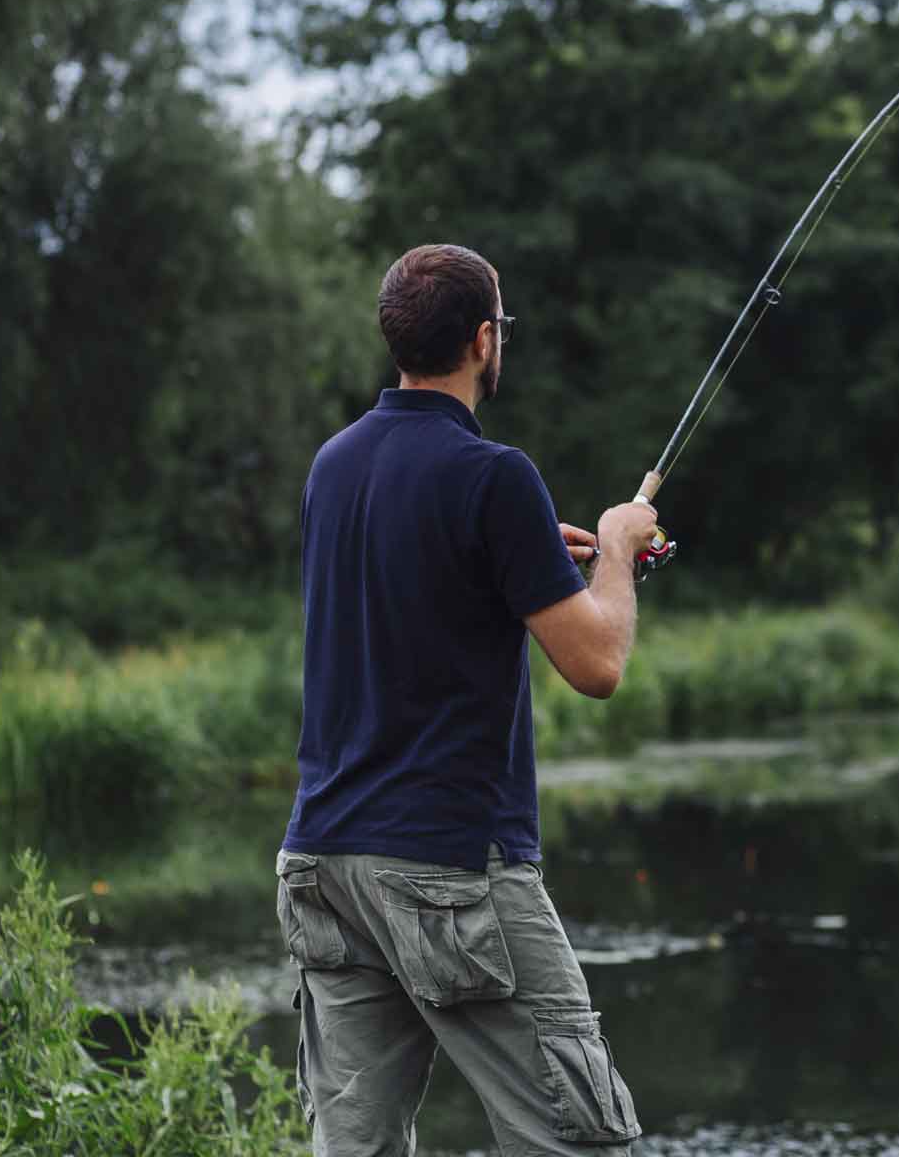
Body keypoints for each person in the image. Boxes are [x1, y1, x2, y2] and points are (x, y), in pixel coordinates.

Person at [273, 243, 658, 1156]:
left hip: (322, 863)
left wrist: (531, 557)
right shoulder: (494, 474)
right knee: (581, 1138)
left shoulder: (333, 465)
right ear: (485, 341)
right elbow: (598, 664)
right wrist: (616, 546)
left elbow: (428, 583)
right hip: (448, 866)